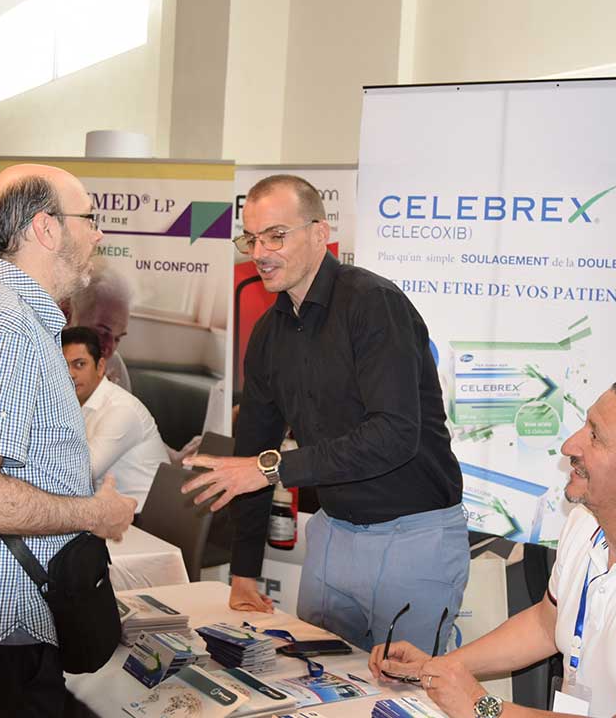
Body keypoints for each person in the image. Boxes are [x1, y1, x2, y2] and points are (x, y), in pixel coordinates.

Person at [183, 174, 468, 653]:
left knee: (409, 686)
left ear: (320, 233)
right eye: (250, 239)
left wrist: (271, 468)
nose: (260, 253)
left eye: (276, 236)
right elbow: (253, 450)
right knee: (315, 678)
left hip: (412, 538)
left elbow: (394, 434)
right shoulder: (270, 334)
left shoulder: (373, 304)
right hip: (333, 533)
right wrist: (245, 569)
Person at [372, 380, 616, 718]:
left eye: (595, 436)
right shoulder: (586, 521)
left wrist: (481, 707)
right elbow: (546, 624)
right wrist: (438, 669)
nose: (570, 445)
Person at [0, 164, 137, 717]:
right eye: (89, 218)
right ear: (46, 228)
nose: (98, 235)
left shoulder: (7, 317)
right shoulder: (1, 327)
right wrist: (94, 514)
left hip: (5, 626)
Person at [61, 325, 171, 512]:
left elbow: (82, 473)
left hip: (146, 517)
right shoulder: (69, 404)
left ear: (100, 367)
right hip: (106, 510)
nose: (70, 374)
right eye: (63, 366)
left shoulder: (121, 409)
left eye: (80, 364)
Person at [68, 258, 132, 392]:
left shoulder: (114, 364)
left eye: (117, 338)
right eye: (102, 333)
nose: (109, 348)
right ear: (72, 316)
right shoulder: (47, 360)